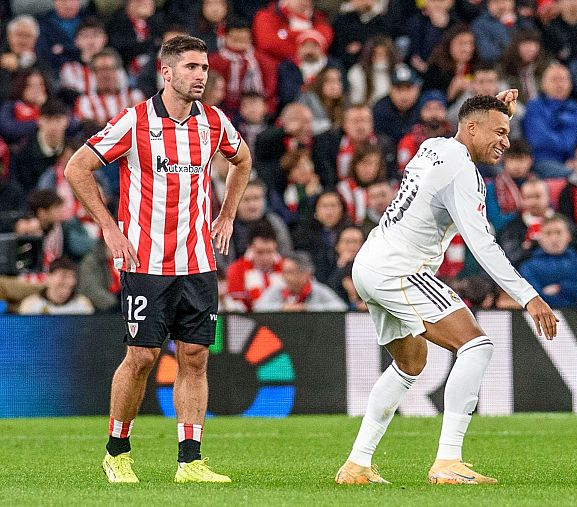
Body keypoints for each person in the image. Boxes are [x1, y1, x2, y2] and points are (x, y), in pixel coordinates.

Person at [336, 91, 557, 485]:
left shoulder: (432, 146)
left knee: (410, 362)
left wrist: (495, 107)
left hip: (369, 265)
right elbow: (483, 245)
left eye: (508, 133)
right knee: (477, 346)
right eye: (499, 132)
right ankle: (448, 463)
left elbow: (472, 117)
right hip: (398, 270)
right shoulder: (464, 173)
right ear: (471, 128)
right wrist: (529, 296)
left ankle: (357, 464)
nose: (505, 141)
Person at [64, 35, 251, 484]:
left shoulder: (214, 121)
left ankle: (190, 461)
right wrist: (110, 228)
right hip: (146, 263)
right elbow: (76, 167)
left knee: (195, 357)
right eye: (190, 67)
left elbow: (242, 161)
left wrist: (226, 214)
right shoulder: (135, 121)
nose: (201, 75)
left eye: (204, 68)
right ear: (166, 73)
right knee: (142, 357)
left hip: (199, 263)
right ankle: (117, 452)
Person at [519, 215, 577, 308]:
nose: (554, 239)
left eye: (558, 232)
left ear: (568, 236)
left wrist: (560, 288)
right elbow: (534, 298)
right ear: (540, 238)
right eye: (548, 233)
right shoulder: (529, 267)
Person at [254, 251, 347, 311]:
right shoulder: (277, 290)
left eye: (289, 272)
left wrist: (307, 309)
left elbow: (341, 307)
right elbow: (258, 307)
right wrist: (283, 308)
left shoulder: (318, 290)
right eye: (284, 271)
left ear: (305, 274)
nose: (284, 276)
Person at [19, 257, 94, 315]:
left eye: (72, 277)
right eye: (63, 276)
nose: (70, 282)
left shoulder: (82, 304)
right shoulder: (31, 305)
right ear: (48, 278)